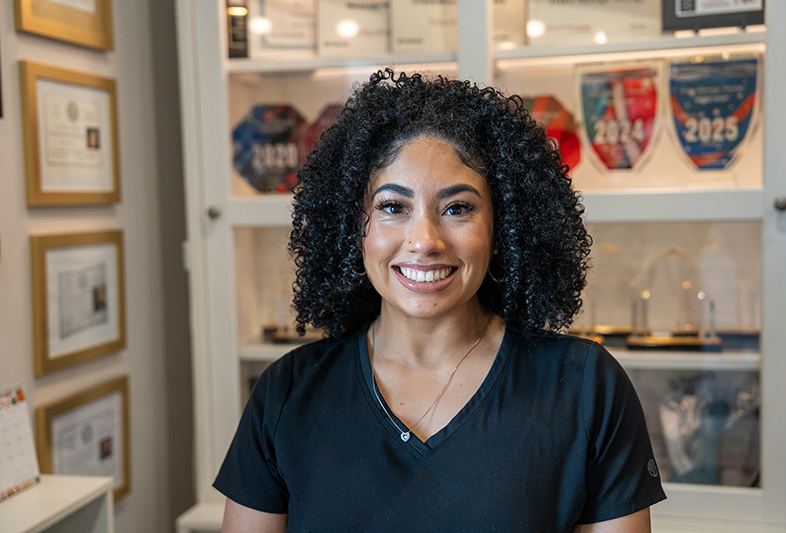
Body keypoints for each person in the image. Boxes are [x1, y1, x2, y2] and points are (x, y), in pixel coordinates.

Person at [214, 69, 666, 532]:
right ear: (354, 227)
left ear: (502, 228)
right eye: (393, 206)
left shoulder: (585, 387)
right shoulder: (287, 394)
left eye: (457, 208)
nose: (424, 240)